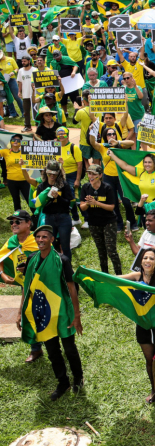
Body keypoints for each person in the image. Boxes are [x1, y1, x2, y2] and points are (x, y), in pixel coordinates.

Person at [17, 225, 82, 401]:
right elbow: (27, 286)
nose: (40, 240)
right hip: (43, 313)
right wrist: (20, 311)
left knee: (69, 349)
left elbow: (71, 288)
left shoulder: (62, 260)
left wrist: (76, 315)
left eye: (44, 237)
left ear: (52, 239)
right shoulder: (32, 259)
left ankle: (78, 379)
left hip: (62, 312)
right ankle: (63, 382)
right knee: (53, 351)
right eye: (38, 237)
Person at [117, 248, 155, 403]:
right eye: (145, 258)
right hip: (143, 326)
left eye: (151, 258)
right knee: (149, 360)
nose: (147, 261)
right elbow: (117, 279)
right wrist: (99, 278)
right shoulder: (137, 276)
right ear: (141, 261)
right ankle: (154, 390)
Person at [0, 210, 40, 362]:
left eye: (18, 221)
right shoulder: (12, 242)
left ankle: (51, 345)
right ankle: (36, 349)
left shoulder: (38, 239)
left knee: (45, 315)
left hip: (43, 285)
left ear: (29, 223)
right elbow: (0, 257)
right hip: (26, 285)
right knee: (28, 316)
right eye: (12, 222)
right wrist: (3, 275)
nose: (14, 224)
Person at [79, 164, 121, 275]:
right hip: (93, 223)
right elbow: (82, 207)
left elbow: (111, 207)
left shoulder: (107, 188)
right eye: (89, 173)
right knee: (101, 251)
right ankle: (105, 275)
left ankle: (120, 276)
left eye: (94, 174)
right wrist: (88, 203)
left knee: (111, 251)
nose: (91, 176)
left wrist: (96, 203)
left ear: (100, 175)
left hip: (108, 222)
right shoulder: (85, 188)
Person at [34, 160, 74, 260]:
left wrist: (58, 198)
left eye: (55, 173)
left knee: (65, 246)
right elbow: (39, 205)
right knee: (49, 246)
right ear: (46, 172)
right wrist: (47, 199)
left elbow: (68, 203)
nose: (52, 175)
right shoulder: (42, 187)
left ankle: (67, 269)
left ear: (58, 173)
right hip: (49, 218)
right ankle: (52, 266)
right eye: (50, 173)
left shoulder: (63, 185)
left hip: (63, 217)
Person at [1, 134, 31, 211]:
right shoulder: (5, 152)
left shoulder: (25, 152)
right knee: (16, 200)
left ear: (21, 143)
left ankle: (36, 217)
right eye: (14, 139)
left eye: (18, 140)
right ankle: (18, 219)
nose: (16, 141)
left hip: (24, 180)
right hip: (11, 181)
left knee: (29, 199)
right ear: (10, 141)